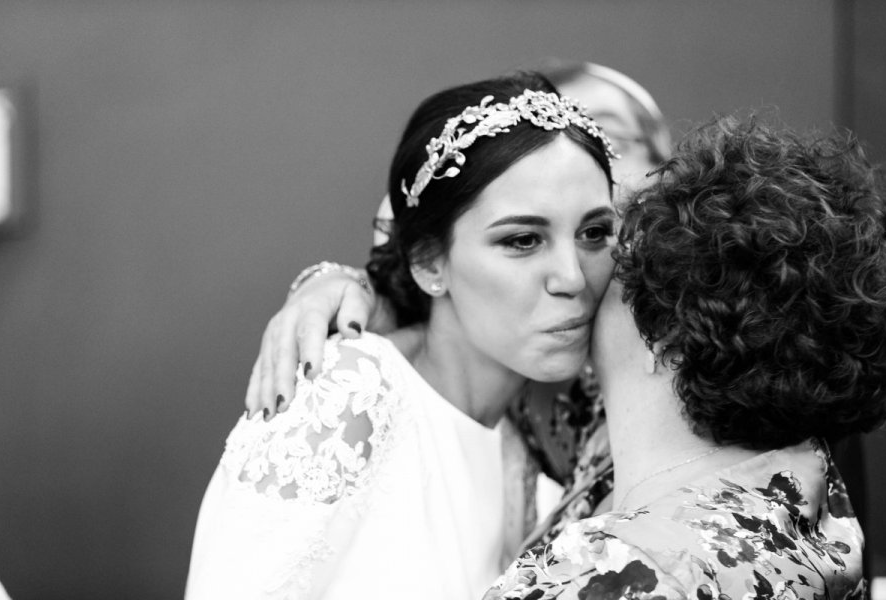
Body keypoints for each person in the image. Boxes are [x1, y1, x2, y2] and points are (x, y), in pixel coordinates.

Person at [185, 72, 618, 599]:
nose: (573, 278)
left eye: (594, 233)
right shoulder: (347, 392)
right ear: (428, 262)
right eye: (523, 239)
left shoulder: (539, 442)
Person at [484, 116, 886, 598]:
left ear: (663, 337)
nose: (580, 281)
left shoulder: (619, 573)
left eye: (620, 262)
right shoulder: (800, 476)